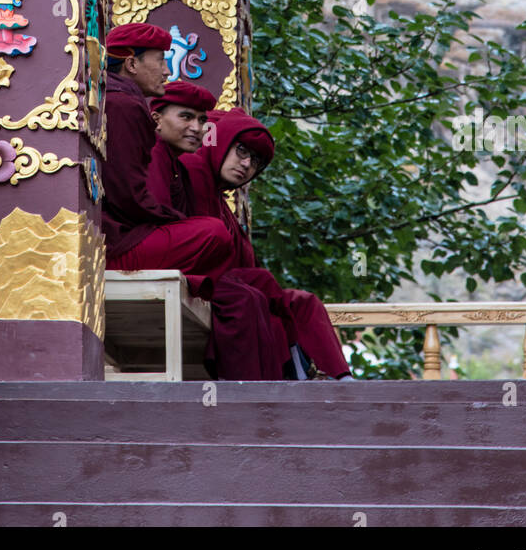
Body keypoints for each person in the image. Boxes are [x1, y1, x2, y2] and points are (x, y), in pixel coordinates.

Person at [181, 107, 354, 381]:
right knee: (262, 304)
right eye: (241, 150)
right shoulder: (192, 170)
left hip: (237, 287)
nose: (247, 165)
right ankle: (290, 382)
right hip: (208, 287)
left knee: (304, 303)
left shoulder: (224, 207)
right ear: (220, 141)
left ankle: (342, 380)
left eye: (257, 161)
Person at [148, 82, 291, 380]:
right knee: (221, 251)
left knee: (261, 294)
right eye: (186, 117)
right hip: (125, 248)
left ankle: (282, 388)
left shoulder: (197, 178)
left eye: (202, 120)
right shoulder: (182, 162)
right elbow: (147, 214)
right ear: (156, 118)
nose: (197, 128)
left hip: (172, 254)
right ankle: (247, 395)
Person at [102, 27, 235, 279]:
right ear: (131, 63)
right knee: (213, 233)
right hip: (116, 245)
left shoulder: (118, 101)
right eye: (161, 60)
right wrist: (176, 221)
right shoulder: (124, 105)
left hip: (116, 237)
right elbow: (128, 196)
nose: (167, 71)